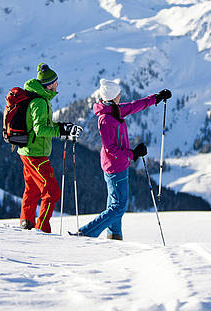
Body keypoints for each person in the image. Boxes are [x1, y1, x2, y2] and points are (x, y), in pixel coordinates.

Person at [71, 78, 171, 240]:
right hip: (114, 166)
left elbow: (135, 105)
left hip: (120, 164)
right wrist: (133, 154)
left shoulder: (114, 110)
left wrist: (157, 98)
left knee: (115, 204)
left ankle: (114, 235)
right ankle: (85, 233)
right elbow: (110, 148)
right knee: (118, 207)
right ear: (112, 96)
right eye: (118, 93)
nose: (121, 95)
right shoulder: (105, 119)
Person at [18, 62, 80, 233]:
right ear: (49, 85)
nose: (57, 85)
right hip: (35, 153)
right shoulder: (39, 102)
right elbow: (39, 129)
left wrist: (62, 126)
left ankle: (27, 221)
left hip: (29, 151)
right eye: (55, 82)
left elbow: (43, 124)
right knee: (52, 191)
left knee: (31, 189)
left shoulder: (38, 98)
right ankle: (42, 228)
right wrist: (60, 130)